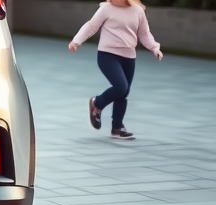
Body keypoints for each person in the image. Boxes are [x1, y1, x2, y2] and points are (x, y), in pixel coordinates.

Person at [68, 0, 163, 141]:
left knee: (124, 92)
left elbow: (144, 33)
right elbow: (91, 26)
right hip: (107, 55)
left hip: (129, 57)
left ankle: (117, 127)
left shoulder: (138, 11)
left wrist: (155, 48)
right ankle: (97, 104)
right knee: (121, 86)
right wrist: (77, 41)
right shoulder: (106, 9)